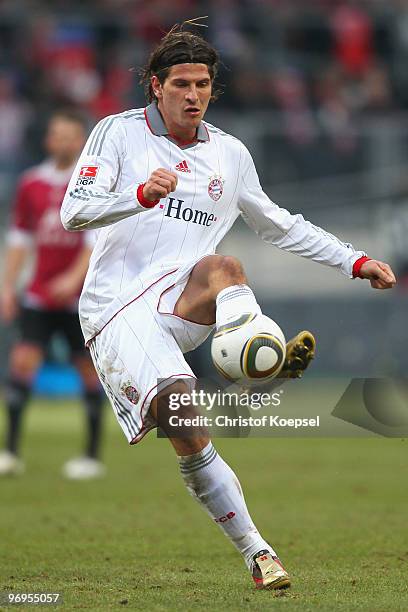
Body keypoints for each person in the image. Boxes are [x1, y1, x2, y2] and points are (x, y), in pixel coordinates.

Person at [60, 28, 396, 589]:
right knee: (185, 426)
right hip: (116, 308)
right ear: (156, 88)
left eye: (204, 84)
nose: (193, 95)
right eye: (182, 84)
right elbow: (75, 212)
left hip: (181, 295)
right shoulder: (116, 133)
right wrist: (139, 196)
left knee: (226, 267)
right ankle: (258, 550)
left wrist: (355, 261)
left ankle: (255, 352)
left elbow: (279, 224)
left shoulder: (230, 153)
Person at [0, 110, 106, 480]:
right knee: (23, 362)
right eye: (58, 135)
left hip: (80, 299)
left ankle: (92, 456)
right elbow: (20, 239)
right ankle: (10, 451)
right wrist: (6, 287)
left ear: (82, 142)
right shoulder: (31, 184)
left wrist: (72, 279)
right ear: (48, 140)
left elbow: (95, 240)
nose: (64, 142)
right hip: (38, 294)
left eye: (71, 136)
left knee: (88, 371)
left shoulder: (92, 182)